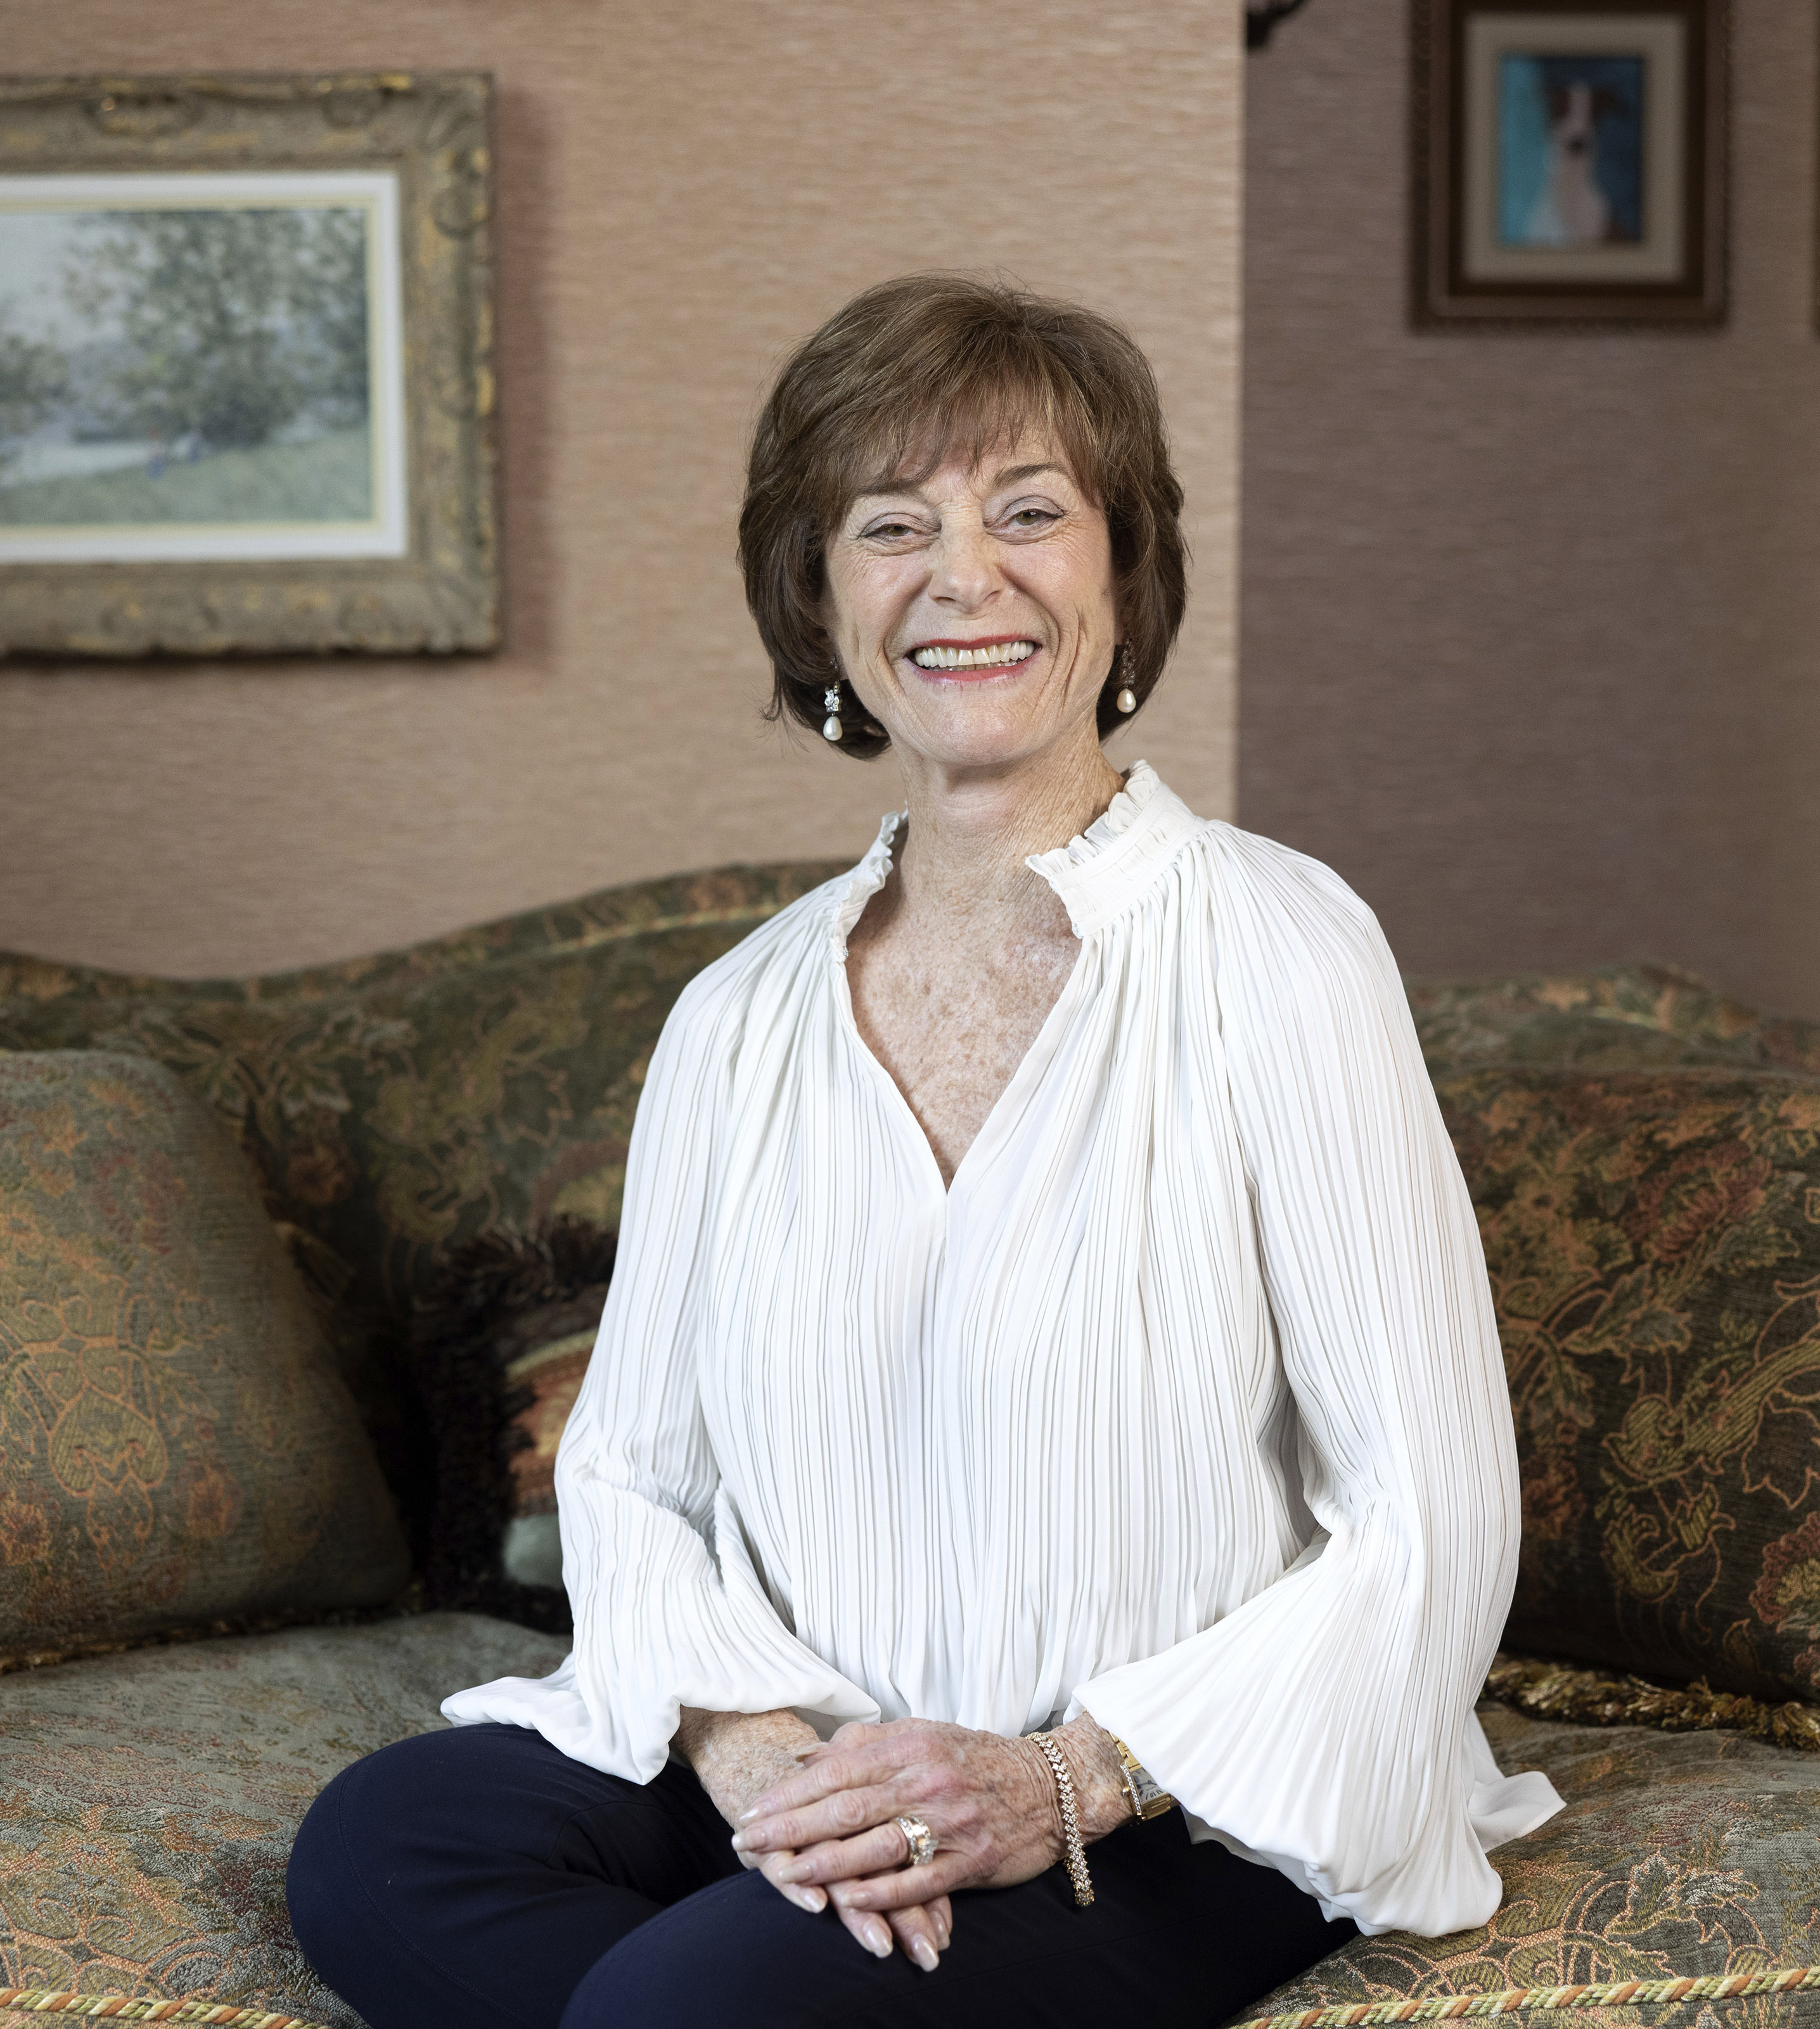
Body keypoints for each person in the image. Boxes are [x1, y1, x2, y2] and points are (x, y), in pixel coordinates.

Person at [284, 273, 1562, 2029]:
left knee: (682, 2011)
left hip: (1175, 1805)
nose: (968, 576)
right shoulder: (741, 1016)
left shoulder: (1283, 952)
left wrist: (1056, 1780)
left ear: (1123, 576)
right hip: (825, 1754)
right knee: (388, 1850)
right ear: (822, 600)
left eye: (1030, 511)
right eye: (896, 527)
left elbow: (1433, 1513)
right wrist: (761, 1772)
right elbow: (630, 1473)